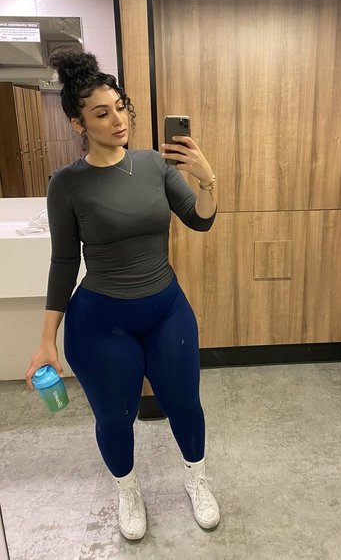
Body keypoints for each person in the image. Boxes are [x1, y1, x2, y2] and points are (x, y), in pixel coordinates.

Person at [24, 49, 219, 540]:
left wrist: (207, 178)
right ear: (78, 123)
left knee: (185, 404)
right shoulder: (67, 183)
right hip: (101, 322)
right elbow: (64, 261)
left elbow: (200, 220)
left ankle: (196, 479)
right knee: (115, 416)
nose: (118, 120)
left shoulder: (154, 164)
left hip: (166, 309)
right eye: (101, 113)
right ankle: (128, 489)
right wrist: (46, 340)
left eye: (120, 107)